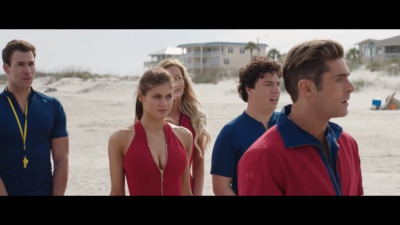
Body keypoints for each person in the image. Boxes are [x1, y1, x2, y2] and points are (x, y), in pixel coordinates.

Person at [238, 39, 364, 196]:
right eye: (339, 79)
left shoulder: (348, 145)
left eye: (347, 77)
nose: (350, 87)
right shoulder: (263, 158)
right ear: (306, 88)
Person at [108, 67, 193, 196]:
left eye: (168, 96)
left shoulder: (184, 136)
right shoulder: (120, 140)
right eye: (157, 97)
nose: (164, 103)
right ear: (141, 97)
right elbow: (117, 192)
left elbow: (186, 191)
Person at [0, 39, 69, 195]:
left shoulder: (52, 106)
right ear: (6, 68)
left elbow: (61, 159)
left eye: (31, 64)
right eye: (20, 64)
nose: (28, 70)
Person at [210, 56, 282, 195]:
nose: (276, 90)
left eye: (277, 84)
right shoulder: (230, 133)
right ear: (249, 89)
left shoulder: (288, 125)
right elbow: (221, 187)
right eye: (268, 84)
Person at [158, 58, 211, 196]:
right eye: (169, 78)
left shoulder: (195, 118)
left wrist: (197, 193)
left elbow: (199, 161)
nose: (175, 83)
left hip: (187, 190)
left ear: (185, 82)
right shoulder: (151, 117)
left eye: (178, 78)